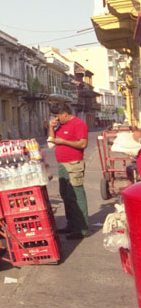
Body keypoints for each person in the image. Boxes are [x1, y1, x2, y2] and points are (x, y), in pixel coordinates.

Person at [49, 103, 89, 240]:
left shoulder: (79, 124)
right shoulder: (62, 125)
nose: (56, 119)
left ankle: (81, 228)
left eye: (57, 116)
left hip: (73, 164)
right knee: (66, 194)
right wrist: (51, 126)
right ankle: (71, 224)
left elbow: (83, 144)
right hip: (62, 164)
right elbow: (51, 141)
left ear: (65, 114)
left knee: (76, 196)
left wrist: (64, 141)